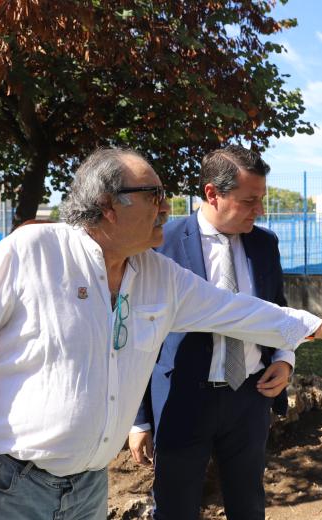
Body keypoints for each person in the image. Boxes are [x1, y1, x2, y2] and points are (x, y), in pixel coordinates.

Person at [0, 147, 322, 520]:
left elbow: (237, 311)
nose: (167, 207)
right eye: (153, 194)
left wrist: (317, 328)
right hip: (10, 485)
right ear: (109, 205)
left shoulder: (157, 275)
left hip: (89, 487)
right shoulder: (31, 253)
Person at [127, 145, 303, 519]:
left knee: (249, 506)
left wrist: (285, 360)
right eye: (249, 200)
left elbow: (276, 308)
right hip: (182, 400)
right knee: (175, 508)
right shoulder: (163, 243)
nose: (259, 210)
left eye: (262, 200)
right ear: (212, 194)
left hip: (250, 399)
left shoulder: (264, 243)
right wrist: (139, 418)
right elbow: (139, 335)